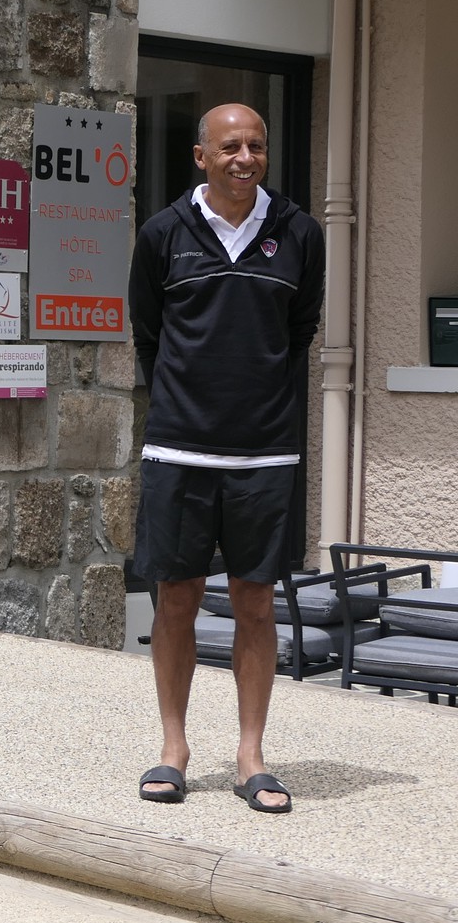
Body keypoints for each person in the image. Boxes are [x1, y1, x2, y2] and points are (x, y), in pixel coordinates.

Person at [129, 103, 324, 816]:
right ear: (201, 156)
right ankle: (173, 749)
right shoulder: (163, 233)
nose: (246, 158)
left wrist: (254, 397)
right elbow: (148, 332)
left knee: (255, 603)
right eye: (231, 146)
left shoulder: (299, 233)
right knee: (176, 597)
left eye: (257, 146)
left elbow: (298, 331)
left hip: (263, 454)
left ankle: (251, 757)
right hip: (178, 446)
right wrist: (190, 397)